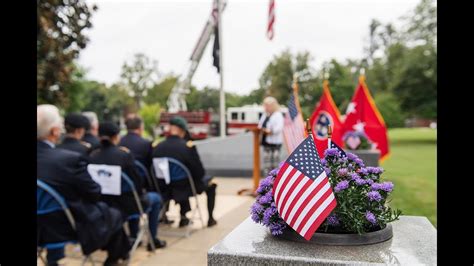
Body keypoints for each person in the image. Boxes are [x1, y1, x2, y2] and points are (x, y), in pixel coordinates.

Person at [37, 105, 130, 266]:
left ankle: (54, 260)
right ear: (54, 131)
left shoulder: (65, 158)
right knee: (114, 214)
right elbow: (93, 193)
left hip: (42, 227)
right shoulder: (68, 160)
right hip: (62, 228)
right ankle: (114, 259)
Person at [89, 122, 167, 250]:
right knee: (155, 199)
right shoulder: (123, 155)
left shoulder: (92, 156)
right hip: (126, 205)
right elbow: (137, 184)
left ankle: (133, 236)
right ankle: (152, 240)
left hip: (102, 204)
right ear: (116, 137)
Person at [152, 116, 217, 227]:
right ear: (182, 131)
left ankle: (177, 215)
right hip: (185, 189)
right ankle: (210, 219)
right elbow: (199, 172)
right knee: (211, 183)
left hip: (163, 189)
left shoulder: (157, 147)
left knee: (181, 179)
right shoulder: (187, 147)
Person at [258, 96, 284, 173]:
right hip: (266, 141)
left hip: (275, 142)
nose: (266, 107)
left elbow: (279, 128)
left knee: (275, 160)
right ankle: (267, 178)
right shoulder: (265, 115)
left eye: (267, 105)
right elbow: (260, 125)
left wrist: (270, 131)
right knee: (267, 160)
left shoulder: (278, 115)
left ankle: (275, 177)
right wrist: (262, 129)